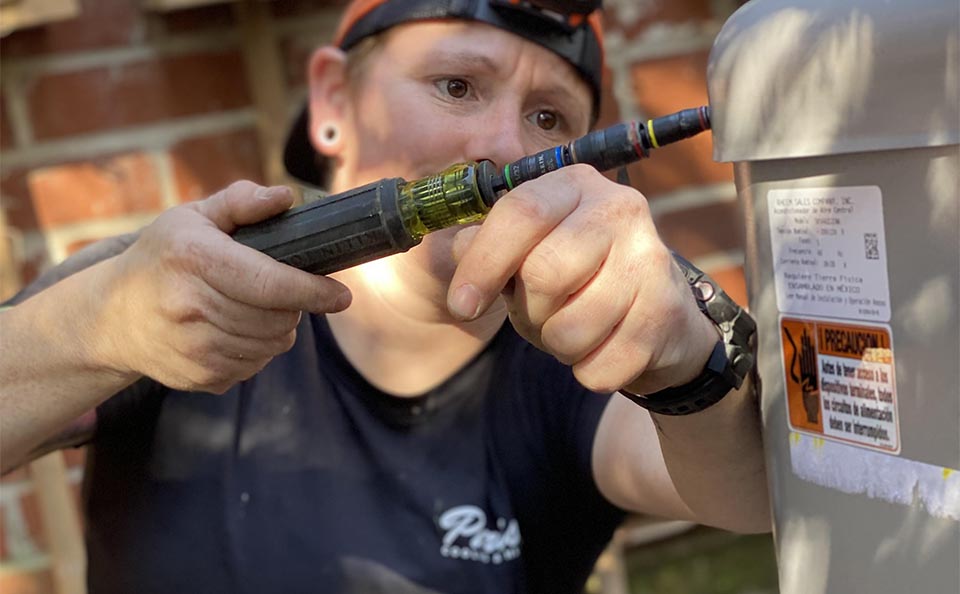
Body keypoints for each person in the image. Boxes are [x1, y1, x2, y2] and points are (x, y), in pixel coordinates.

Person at [0, 1, 770, 592]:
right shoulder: (181, 283)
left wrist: (687, 371)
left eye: (549, 118)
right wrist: (93, 327)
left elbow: (754, 494)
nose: (504, 145)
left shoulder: (576, 357)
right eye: (457, 86)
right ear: (332, 102)